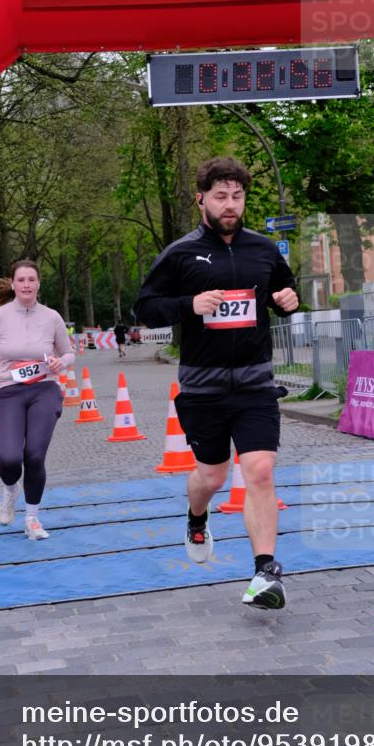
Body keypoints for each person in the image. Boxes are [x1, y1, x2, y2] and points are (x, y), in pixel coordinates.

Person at [134, 156, 299, 611]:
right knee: (211, 475)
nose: (230, 205)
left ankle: (266, 572)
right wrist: (190, 304)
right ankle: (197, 515)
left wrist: (289, 300)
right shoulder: (180, 253)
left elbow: (285, 292)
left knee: (260, 470)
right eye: (221, 196)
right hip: (202, 388)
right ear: (201, 199)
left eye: (238, 197)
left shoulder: (263, 250)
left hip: (255, 385)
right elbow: (145, 308)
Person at [0, 260, 75, 540]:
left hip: (44, 389)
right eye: (22, 280)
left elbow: (69, 353)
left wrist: (59, 363)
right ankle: (9, 490)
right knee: (10, 458)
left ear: (39, 283)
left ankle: (32, 519)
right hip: (8, 390)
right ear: (13, 284)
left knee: (35, 456)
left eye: (32, 279)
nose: (27, 284)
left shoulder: (52, 317)